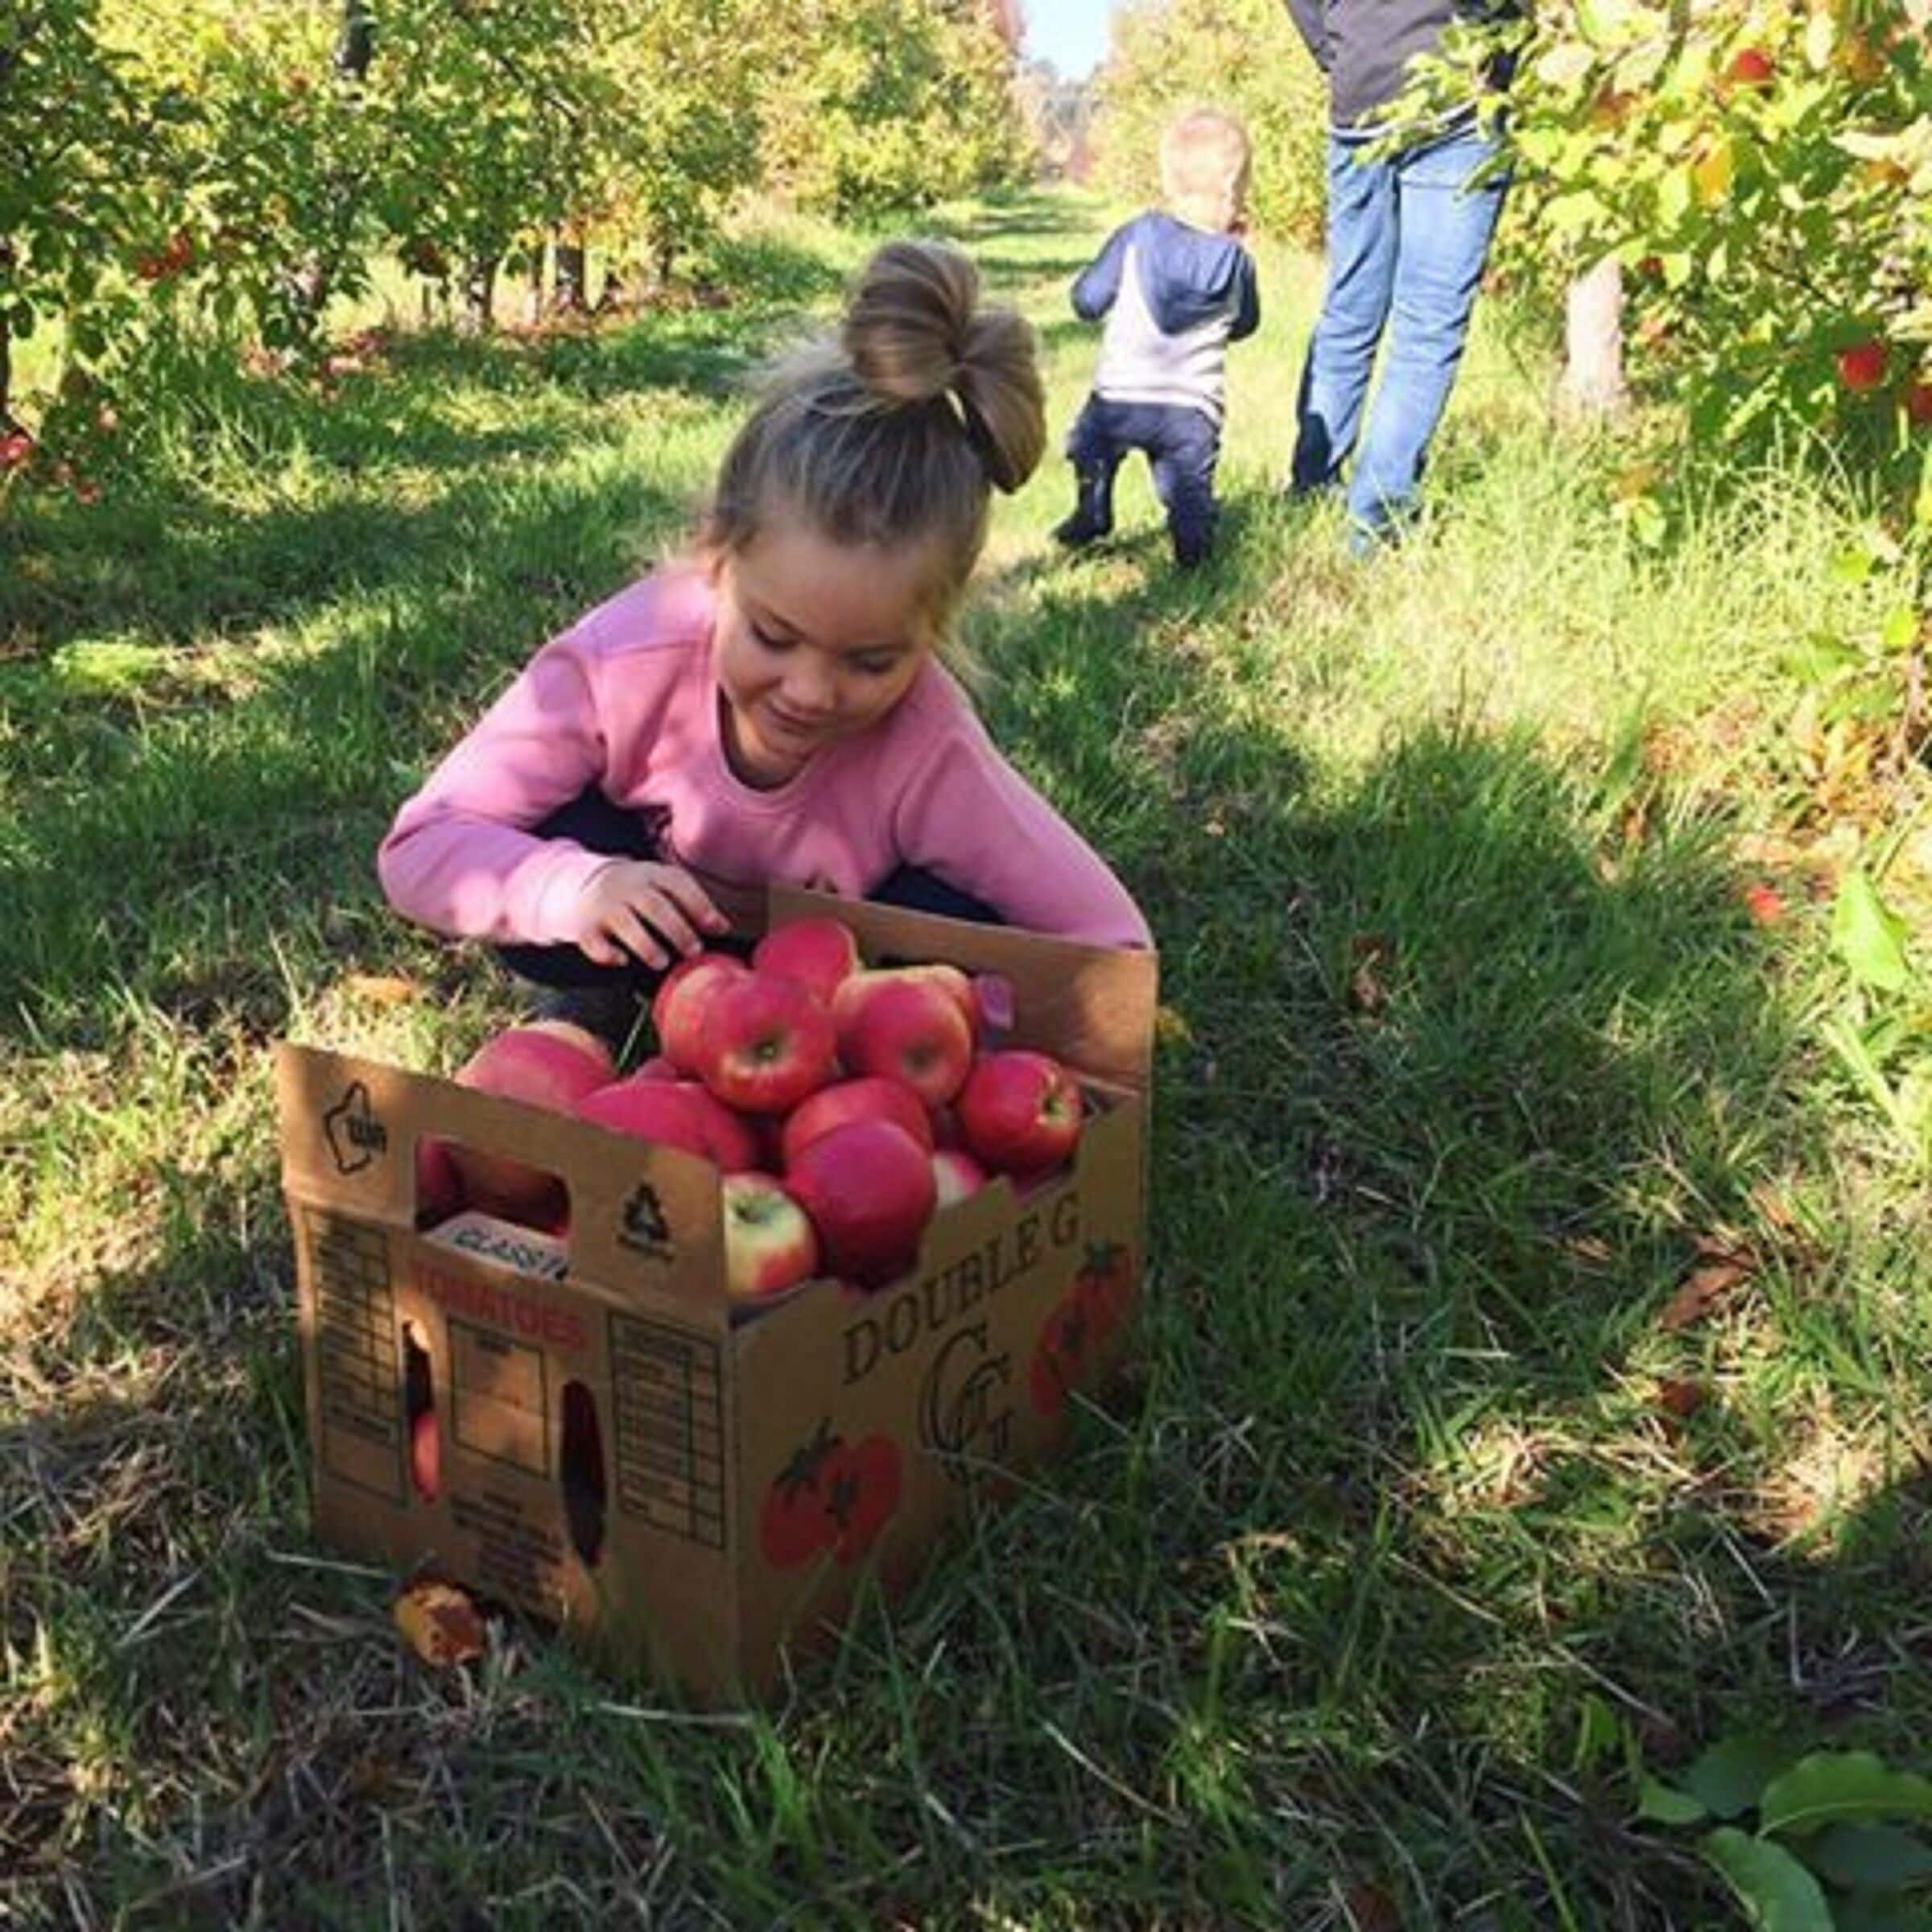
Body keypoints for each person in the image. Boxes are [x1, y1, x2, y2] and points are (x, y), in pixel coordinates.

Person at [378, 240, 1150, 1048]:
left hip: (832, 994)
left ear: (937, 627)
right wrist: (574, 890)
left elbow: (1114, 945)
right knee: (552, 837)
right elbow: (423, 842)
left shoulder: (927, 745)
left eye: (872, 660)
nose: (811, 691)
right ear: (718, 556)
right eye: (775, 635)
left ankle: (866, 1038)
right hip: (656, 935)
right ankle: (602, 998)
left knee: (951, 917)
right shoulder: (624, 663)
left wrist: (958, 1032)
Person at [1283, 0, 1515, 553]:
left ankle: (1312, 488)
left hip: (1360, 91)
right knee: (1427, 327)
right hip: (1457, 91)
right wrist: (1502, 53)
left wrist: (1338, 54)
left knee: (1348, 311)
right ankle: (1373, 523)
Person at [1054, 105, 1261, 569]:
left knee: (1088, 446)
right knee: (1188, 491)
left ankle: (1092, 511)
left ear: (1170, 183)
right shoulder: (1236, 262)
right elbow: (1246, 325)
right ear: (1233, 191)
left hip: (1119, 399)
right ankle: (1194, 558)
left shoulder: (1136, 236)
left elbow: (1087, 301)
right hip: (1192, 411)